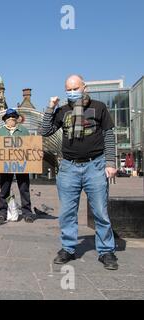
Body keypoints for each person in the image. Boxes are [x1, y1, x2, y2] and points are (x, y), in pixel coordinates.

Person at [42, 75, 119, 270]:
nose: (72, 92)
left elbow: (109, 135)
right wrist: (50, 108)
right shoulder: (62, 111)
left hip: (96, 165)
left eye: (75, 88)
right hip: (69, 167)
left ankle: (106, 251)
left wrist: (111, 162)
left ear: (84, 87)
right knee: (67, 212)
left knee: (100, 211)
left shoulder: (99, 107)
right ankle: (68, 248)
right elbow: (45, 131)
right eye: (68, 89)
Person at [0, 108, 35, 223]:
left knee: (24, 189)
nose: (11, 120)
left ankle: (27, 213)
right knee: (4, 189)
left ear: (17, 119)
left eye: (13, 118)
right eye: (8, 118)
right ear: (5, 120)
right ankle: (2, 213)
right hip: (5, 165)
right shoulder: (0, 132)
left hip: (22, 165)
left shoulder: (23, 131)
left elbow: (30, 146)